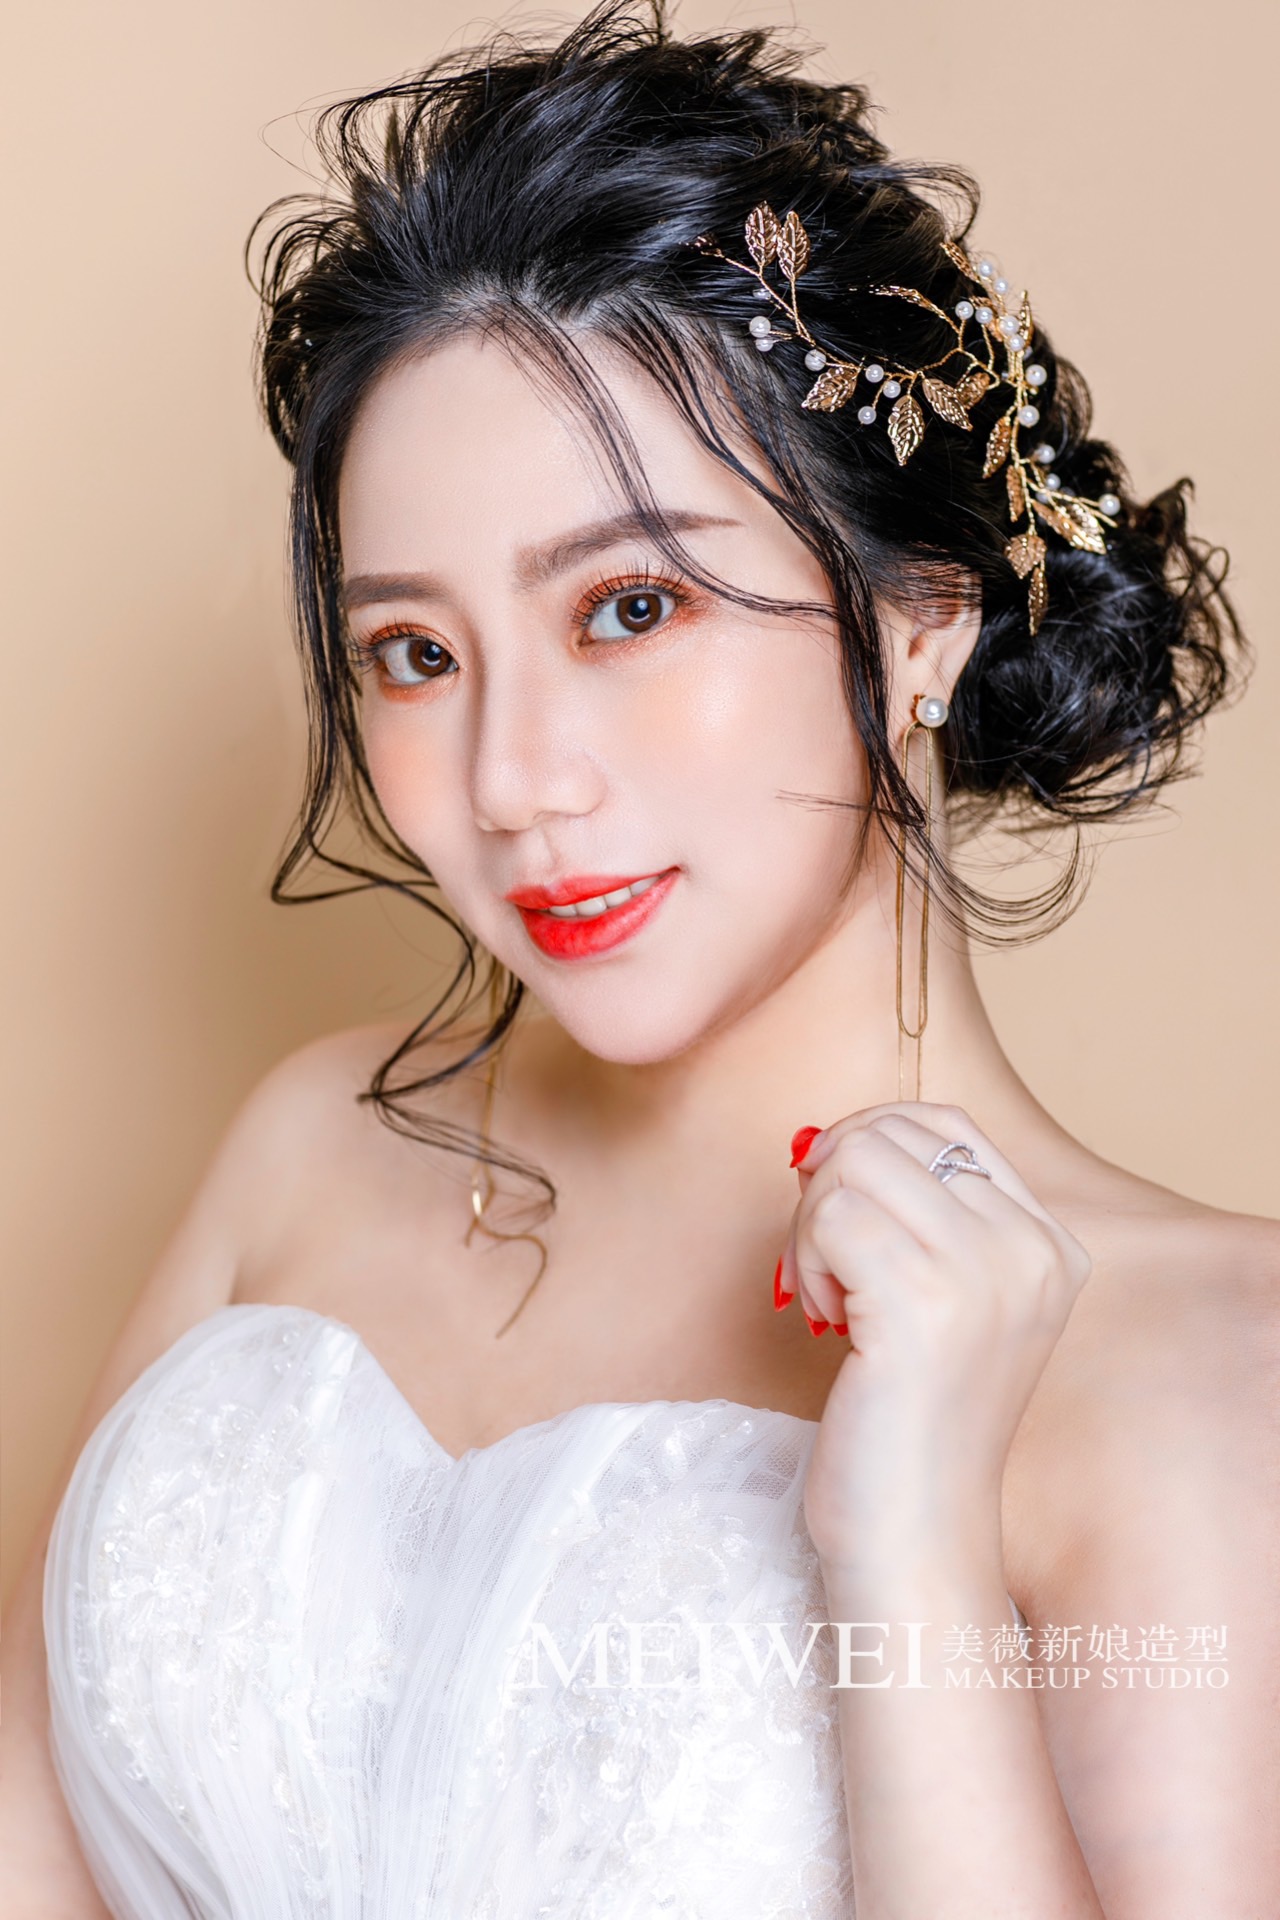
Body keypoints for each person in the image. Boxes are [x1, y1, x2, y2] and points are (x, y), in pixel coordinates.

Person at [3, 3, 1276, 1914]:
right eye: (414, 654)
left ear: (921, 618)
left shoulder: (1216, 1373)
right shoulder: (311, 1150)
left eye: (627, 607)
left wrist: (908, 1542)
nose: (510, 781)